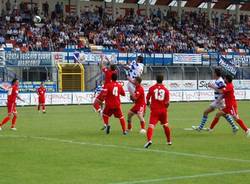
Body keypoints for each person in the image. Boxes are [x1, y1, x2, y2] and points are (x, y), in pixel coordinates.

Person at [192, 68, 237, 132]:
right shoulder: (218, 80)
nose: (212, 74)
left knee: (206, 112)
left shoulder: (220, 81)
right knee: (223, 114)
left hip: (219, 101)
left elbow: (222, 91)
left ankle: (200, 128)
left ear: (216, 74)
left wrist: (212, 86)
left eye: (213, 73)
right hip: (218, 101)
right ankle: (234, 126)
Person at [144, 75, 171, 148]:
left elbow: (147, 100)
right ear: (163, 80)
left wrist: (150, 107)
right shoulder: (166, 90)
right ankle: (169, 141)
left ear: (156, 79)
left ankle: (149, 140)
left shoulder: (152, 88)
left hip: (155, 110)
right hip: (163, 110)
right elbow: (167, 103)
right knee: (165, 125)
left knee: (151, 126)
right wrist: (165, 108)